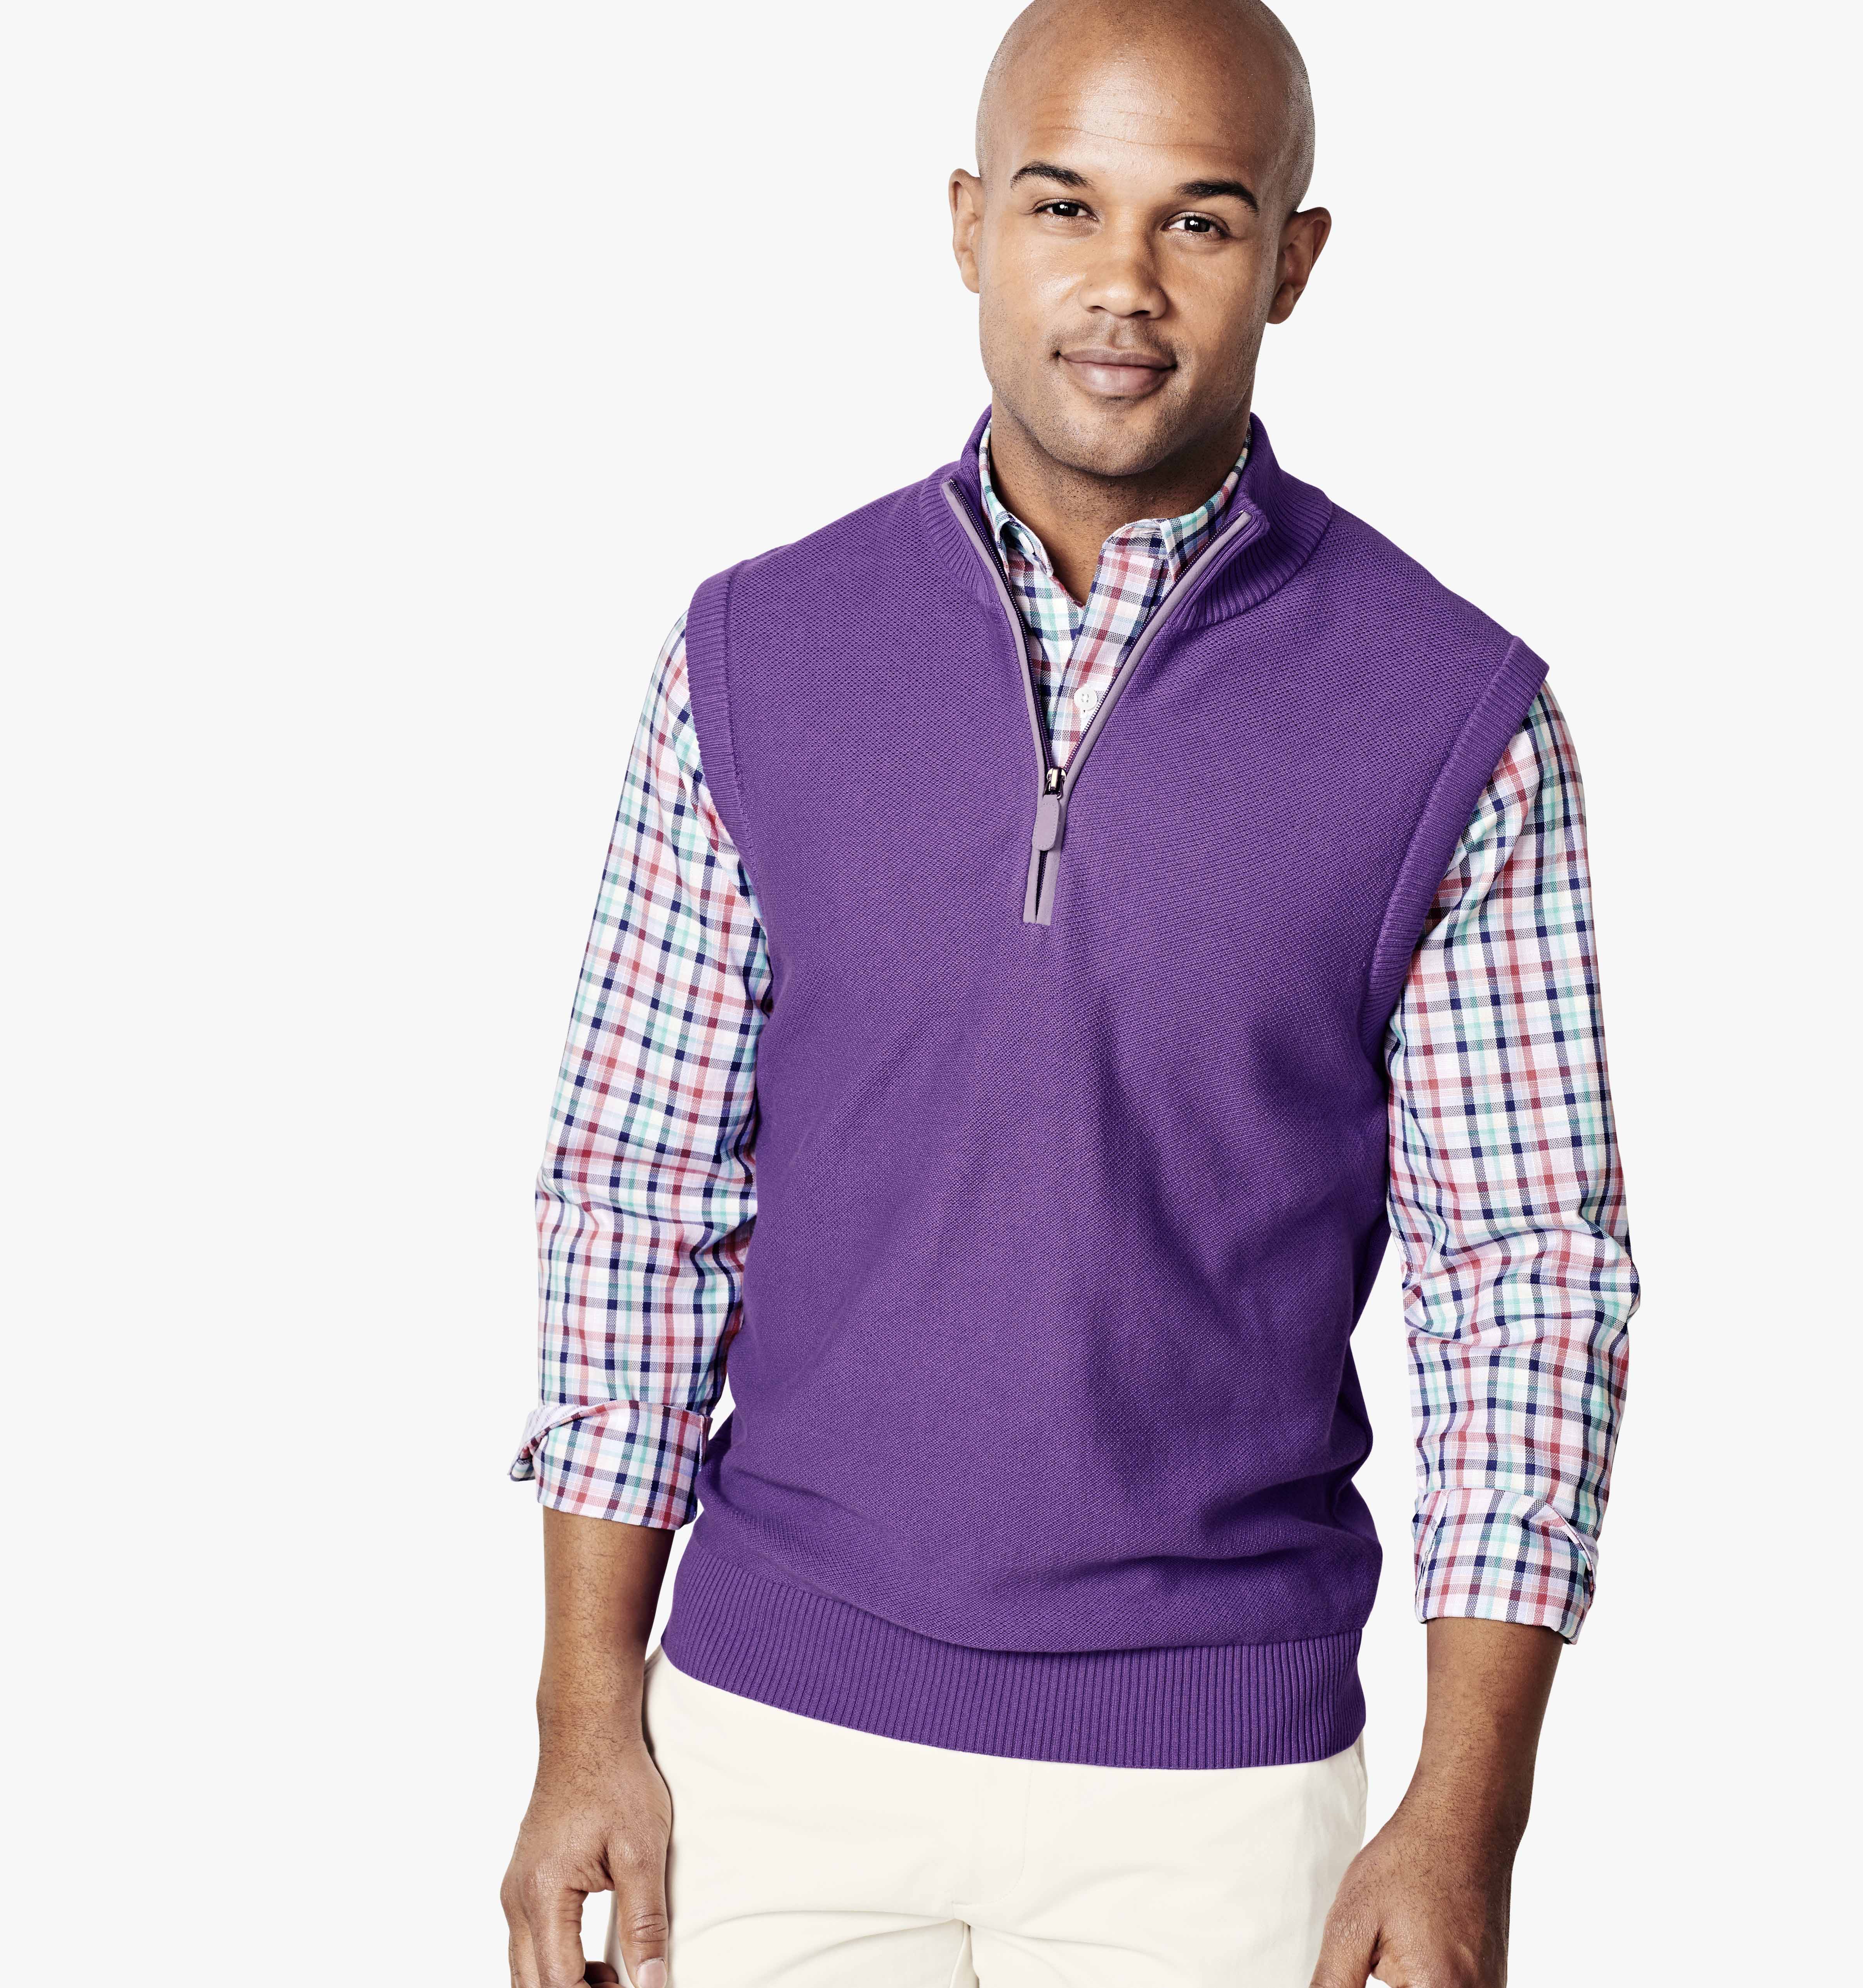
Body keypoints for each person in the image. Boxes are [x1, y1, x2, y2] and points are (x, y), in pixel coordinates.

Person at [500, 1, 1637, 1982]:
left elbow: (1525, 1283)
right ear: (966, 225)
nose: (1123, 282)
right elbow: (638, 1196)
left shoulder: (1457, 715)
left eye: (1200, 219)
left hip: (1216, 1798)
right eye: (1062, 205)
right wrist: (581, 1714)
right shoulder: (752, 655)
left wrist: (1465, 1820)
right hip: (766, 1751)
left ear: (1294, 259)